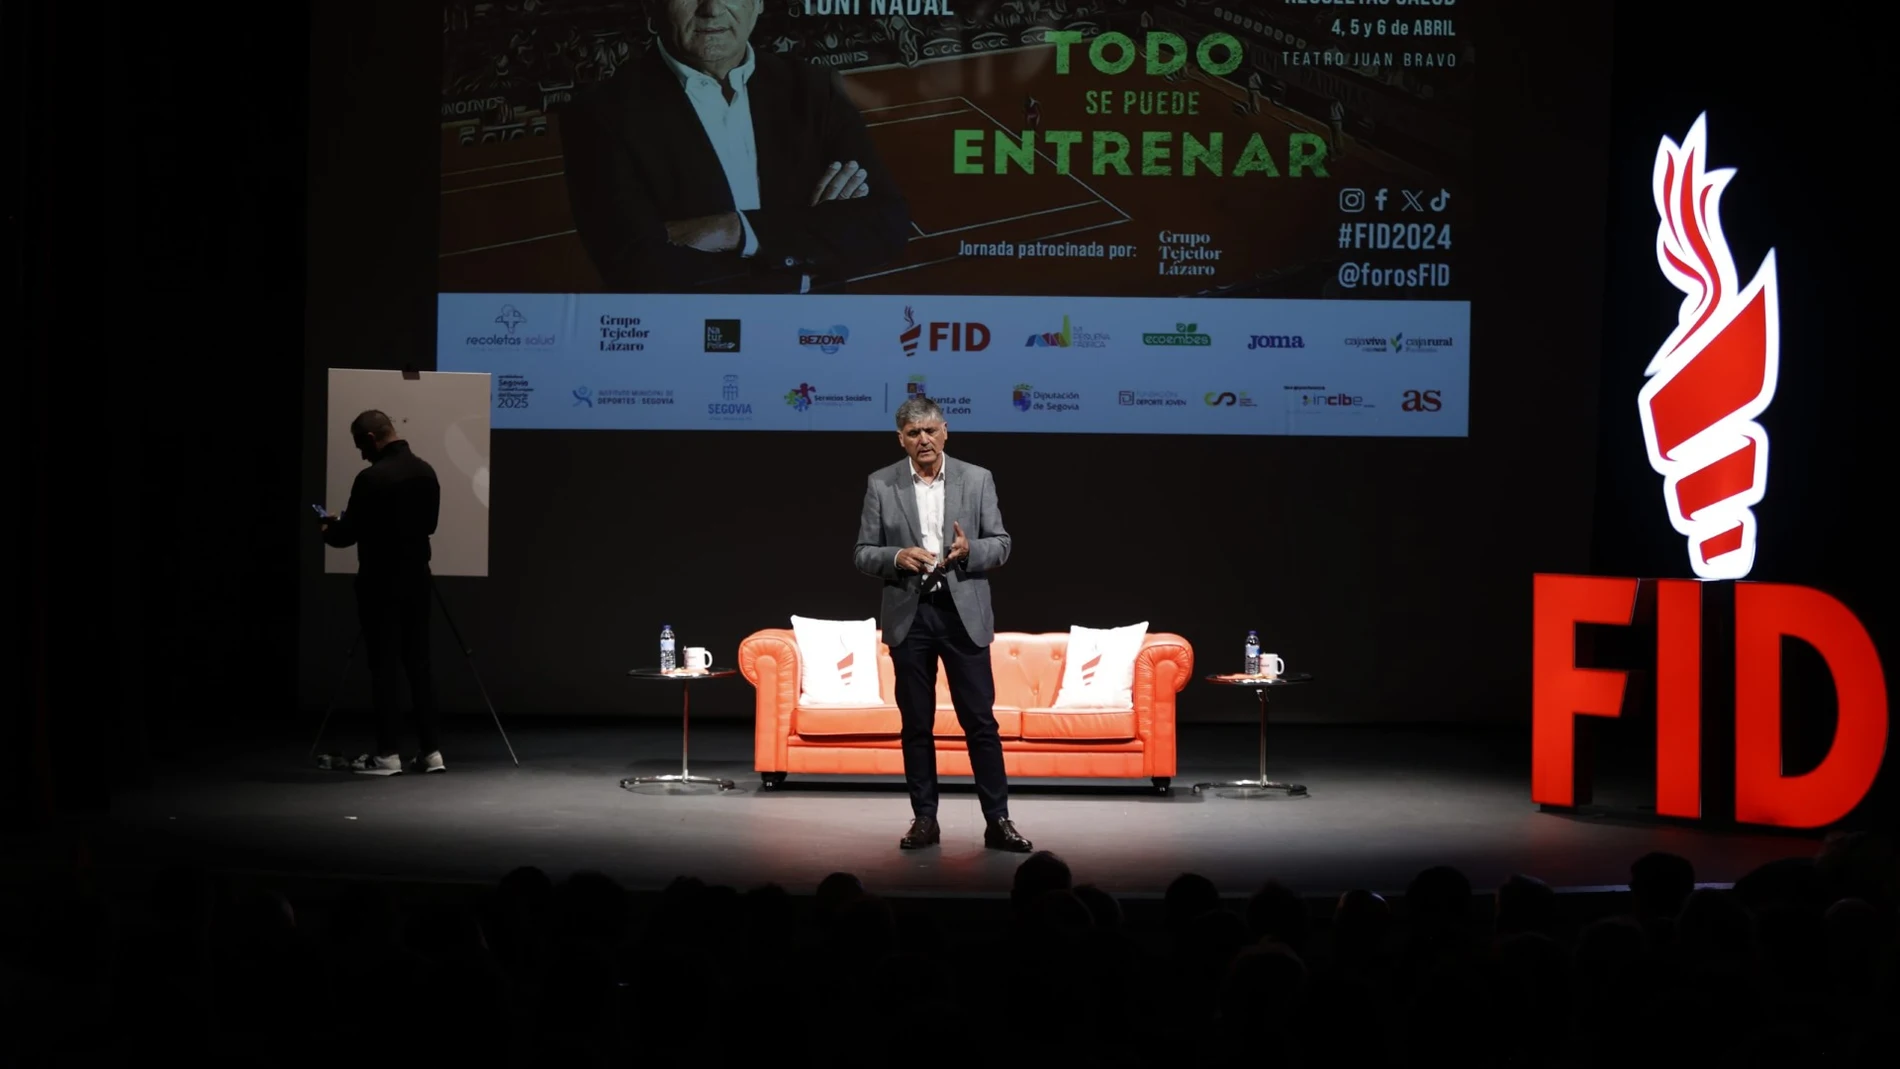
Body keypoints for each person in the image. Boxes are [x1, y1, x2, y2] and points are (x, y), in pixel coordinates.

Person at [560, 0, 910, 294]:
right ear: (652, 8)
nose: (711, 9)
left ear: (758, 4)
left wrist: (736, 230)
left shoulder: (816, 88)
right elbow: (634, 267)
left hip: (818, 332)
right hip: (691, 340)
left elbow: (885, 225)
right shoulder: (598, 114)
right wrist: (804, 241)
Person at [852, 397, 1031, 853]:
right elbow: (862, 552)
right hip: (910, 616)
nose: (924, 440)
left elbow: (1003, 543)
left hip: (961, 615)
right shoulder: (881, 483)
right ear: (901, 439)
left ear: (945, 431)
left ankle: (998, 821)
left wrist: (972, 550)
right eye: (913, 434)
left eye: (930, 431)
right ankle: (924, 820)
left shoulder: (977, 479)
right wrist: (896, 557)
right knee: (916, 724)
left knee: (981, 724)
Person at [319, 410, 445, 776]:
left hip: (380, 583)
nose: (361, 453)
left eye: (361, 445)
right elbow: (430, 525)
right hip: (418, 579)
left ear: (373, 439)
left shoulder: (371, 477)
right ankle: (431, 752)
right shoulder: (426, 471)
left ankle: (388, 754)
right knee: (419, 666)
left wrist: (328, 529)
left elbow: (348, 535)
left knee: (384, 667)